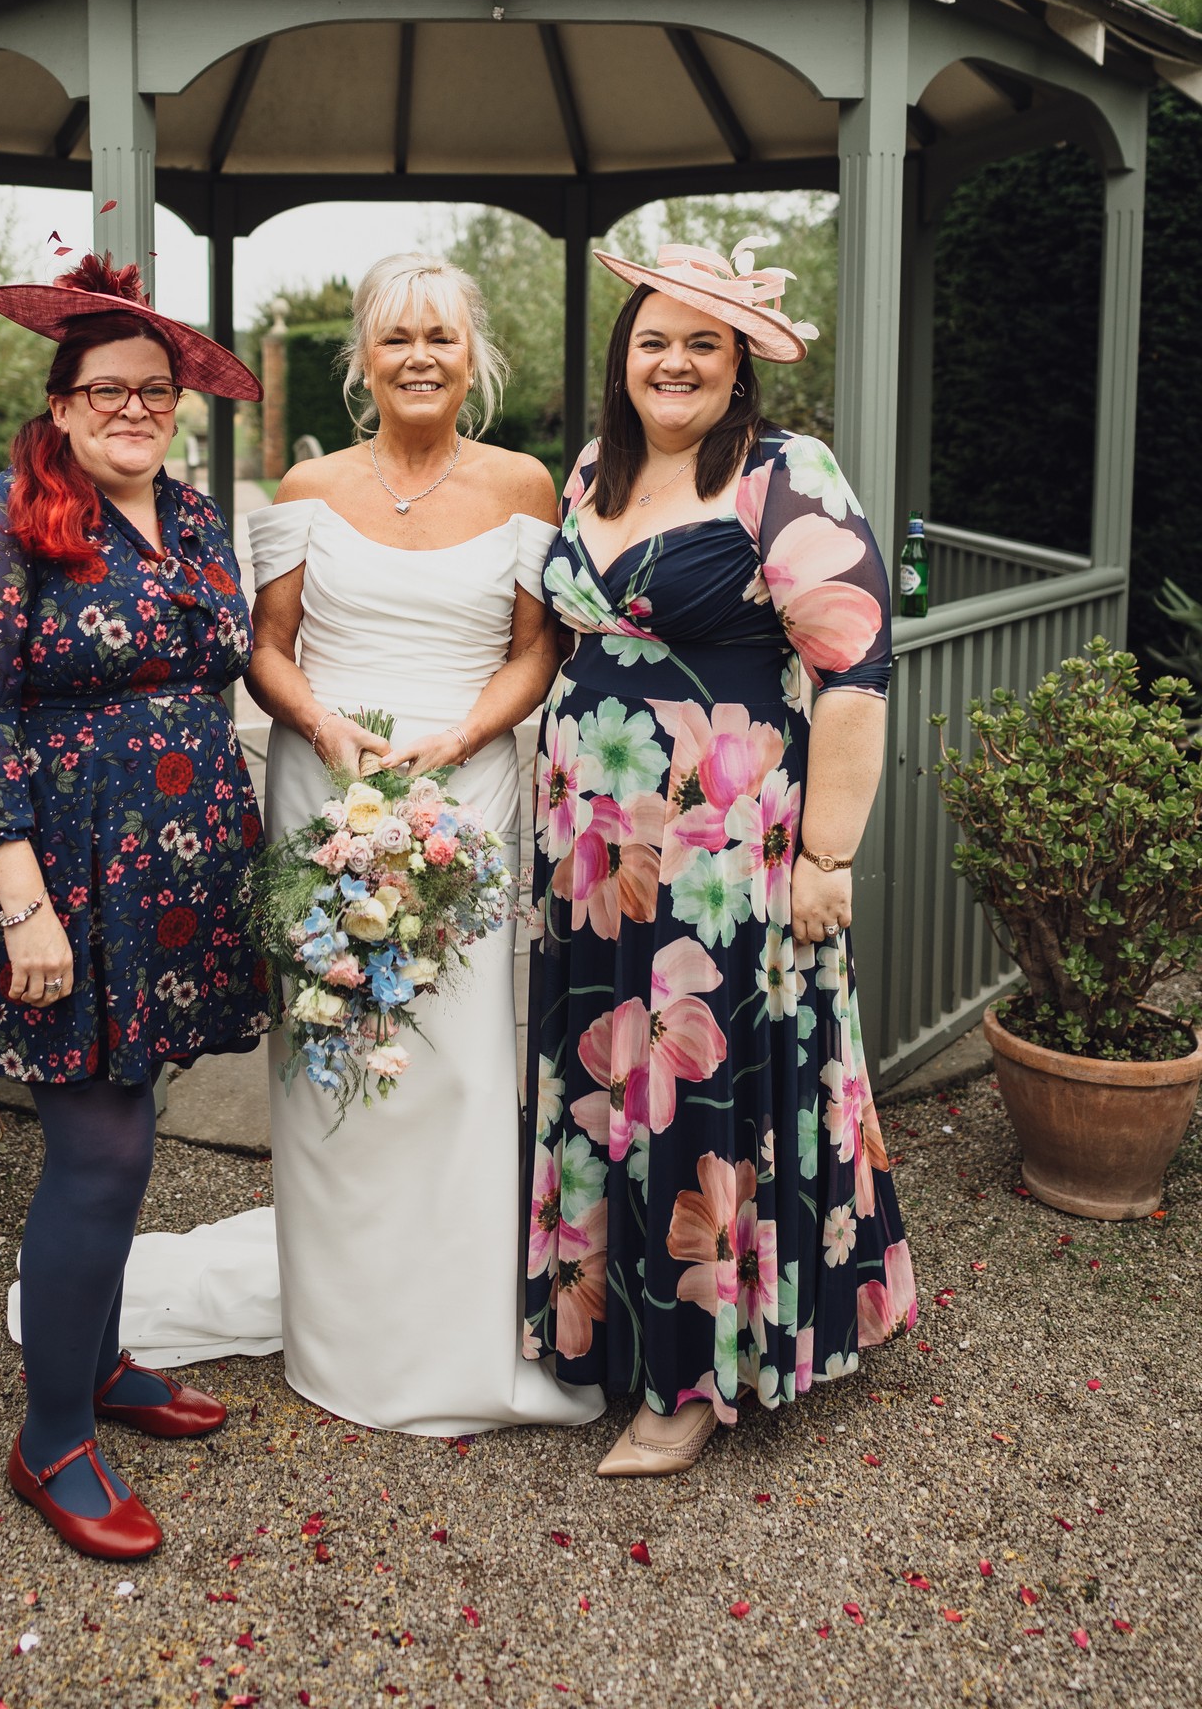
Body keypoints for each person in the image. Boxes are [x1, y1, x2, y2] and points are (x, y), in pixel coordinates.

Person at [0, 251, 268, 1558]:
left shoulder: (197, 518)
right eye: (106, 388)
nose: (133, 409)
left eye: (155, 390)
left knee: (129, 1123)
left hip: (172, 883)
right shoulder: (1, 517)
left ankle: (100, 1364)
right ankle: (52, 1437)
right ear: (61, 404)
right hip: (58, 881)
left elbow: (225, 668)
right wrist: (22, 906)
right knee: (100, 1151)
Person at [522, 237, 916, 1476]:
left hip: (720, 852)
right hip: (591, 854)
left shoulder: (783, 474)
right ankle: (600, 1324)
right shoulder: (594, 469)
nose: (675, 362)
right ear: (622, 357)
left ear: (739, 364)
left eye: (703, 343)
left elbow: (856, 671)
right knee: (604, 1080)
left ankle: (691, 1373)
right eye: (654, 340)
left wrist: (828, 856)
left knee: (694, 1081)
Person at [241, 251, 605, 1434]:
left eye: (439, 336)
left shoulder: (523, 484)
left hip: (467, 783)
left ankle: (452, 1327)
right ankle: (340, 1328)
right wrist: (321, 727)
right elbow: (268, 645)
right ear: (362, 355)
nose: (418, 357)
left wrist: (457, 741)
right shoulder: (308, 483)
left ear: (472, 354)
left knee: (451, 1054)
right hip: (326, 784)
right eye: (395, 336)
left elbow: (536, 649)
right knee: (330, 1038)